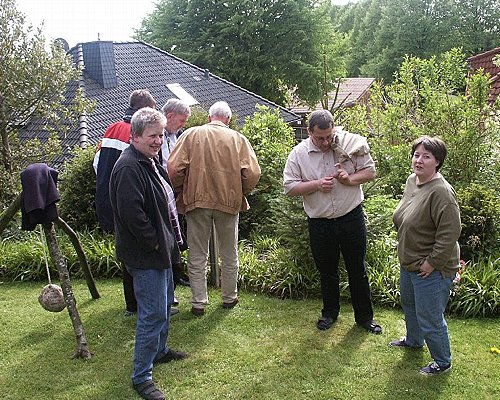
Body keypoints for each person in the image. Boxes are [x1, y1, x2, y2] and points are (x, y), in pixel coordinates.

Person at [109, 107, 187, 400]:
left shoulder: (147, 160)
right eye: (152, 136)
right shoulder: (129, 167)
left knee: (165, 305)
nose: (158, 141)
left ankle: (160, 351)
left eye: (160, 135)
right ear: (136, 136)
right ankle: (141, 377)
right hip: (147, 254)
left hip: (161, 250)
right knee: (152, 314)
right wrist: (155, 243)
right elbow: (133, 215)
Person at [283, 109, 382, 333]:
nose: (326, 142)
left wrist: (349, 179)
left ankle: (365, 319)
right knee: (327, 271)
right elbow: (289, 187)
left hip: (351, 217)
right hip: (320, 223)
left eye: (329, 136)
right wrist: (317, 184)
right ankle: (329, 314)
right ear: (309, 132)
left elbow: (369, 172)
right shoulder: (298, 154)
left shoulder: (350, 144)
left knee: (357, 268)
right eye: (320, 138)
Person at [168, 101, 261, 316]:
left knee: (197, 253)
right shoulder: (238, 139)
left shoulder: (191, 135)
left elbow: (173, 168)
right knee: (229, 252)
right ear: (227, 120)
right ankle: (229, 297)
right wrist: (240, 192)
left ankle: (199, 302)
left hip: (196, 202)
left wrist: (182, 189)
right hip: (229, 202)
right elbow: (253, 174)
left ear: (210, 117)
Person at [390, 136, 461, 376]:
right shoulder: (413, 181)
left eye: (426, 157)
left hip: (431, 268)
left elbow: (450, 232)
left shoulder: (442, 192)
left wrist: (432, 262)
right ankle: (413, 340)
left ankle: (442, 361)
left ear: (437, 162)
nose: (419, 161)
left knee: (430, 317)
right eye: (416, 155)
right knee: (410, 307)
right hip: (410, 262)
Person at [93, 89, 156, 317]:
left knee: (125, 251)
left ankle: (131, 304)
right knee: (137, 253)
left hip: (107, 198)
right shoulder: (135, 134)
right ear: (145, 110)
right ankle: (138, 304)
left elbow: (96, 163)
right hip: (129, 198)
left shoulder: (111, 128)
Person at [158, 99, 192, 302]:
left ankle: (175, 279)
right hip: (161, 196)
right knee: (167, 241)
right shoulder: (157, 136)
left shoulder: (176, 136)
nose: (183, 125)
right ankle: (168, 291)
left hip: (174, 196)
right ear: (169, 116)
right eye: (181, 120)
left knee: (176, 241)